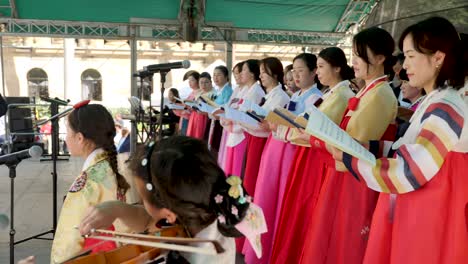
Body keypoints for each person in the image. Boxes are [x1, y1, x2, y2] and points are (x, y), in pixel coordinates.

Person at [329, 16, 468, 264]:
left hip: (427, 216)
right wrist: (367, 148)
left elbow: (410, 170)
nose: (404, 67)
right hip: (421, 208)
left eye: (411, 56)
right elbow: (411, 148)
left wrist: (353, 159)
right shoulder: (436, 100)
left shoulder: (445, 106)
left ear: (438, 57)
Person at [78, 136, 267, 264]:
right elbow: (148, 219)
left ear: (168, 214)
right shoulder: (207, 210)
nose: (142, 205)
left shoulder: (196, 256)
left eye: (142, 199)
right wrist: (116, 209)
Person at [299, 26, 398, 264]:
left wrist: (314, 136)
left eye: (359, 54)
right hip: (345, 173)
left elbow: (353, 148)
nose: (353, 61)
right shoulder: (369, 91)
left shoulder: (380, 94)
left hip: (354, 180)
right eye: (353, 54)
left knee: (343, 241)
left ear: (380, 58)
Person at [270, 47, 355, 263]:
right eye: (317, 67)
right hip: (309, 153)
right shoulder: (331, 93)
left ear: (337, 67)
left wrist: (291, 131)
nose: (318, 72)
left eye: (320, 67)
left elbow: (321, 131)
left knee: (309, 210)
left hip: (318, 157)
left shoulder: (343, 94)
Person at [50, 104, 130, 263]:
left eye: (68, 132)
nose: (66, 138)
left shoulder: (87, 182)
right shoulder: (109, 166)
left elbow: (70, 240)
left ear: (80, 138)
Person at [240, 57, 291, 263]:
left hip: (274, 145)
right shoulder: (272, 95)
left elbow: (274, 124)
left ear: (275, 74)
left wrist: (260, 120)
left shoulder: (280, 96)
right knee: (260, 192)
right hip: (267, 143)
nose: (261, 75)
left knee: (266, 194)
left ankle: (263, 244)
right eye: (260, 71)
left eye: (264, 72)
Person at [217, 62, 244, 171]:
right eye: (235, 74)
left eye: (239, 73)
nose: (237, 76)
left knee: (236, 166)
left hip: (239, 131)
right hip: (229, 126)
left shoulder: (229, 90)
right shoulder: (237, 90)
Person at [208, 66, 233, 157]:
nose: (215, 77)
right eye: (214, 75)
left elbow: (225, 110)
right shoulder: (218, 91)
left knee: (218, 151)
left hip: (222, 124)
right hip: (215, 121)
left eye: (218, 75)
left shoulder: (228, 92)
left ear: (226, 76)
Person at [187, 72, 214, 139]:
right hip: (194, 116)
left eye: (206, 82)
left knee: (199, 138)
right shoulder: (199, 93)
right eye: (201, 83)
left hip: (203, 118)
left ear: (210, 82)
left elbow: (213, 110)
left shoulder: (213, 93)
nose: (203, 85)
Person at [173, 71, 200, 136]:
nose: (190, 82)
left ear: (198, 81)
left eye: (192, 80)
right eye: (189, 81)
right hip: (186, 118)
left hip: (193, 118)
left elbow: (196, 107)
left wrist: (186, 106)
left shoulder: (199, 92)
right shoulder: (192, 92)